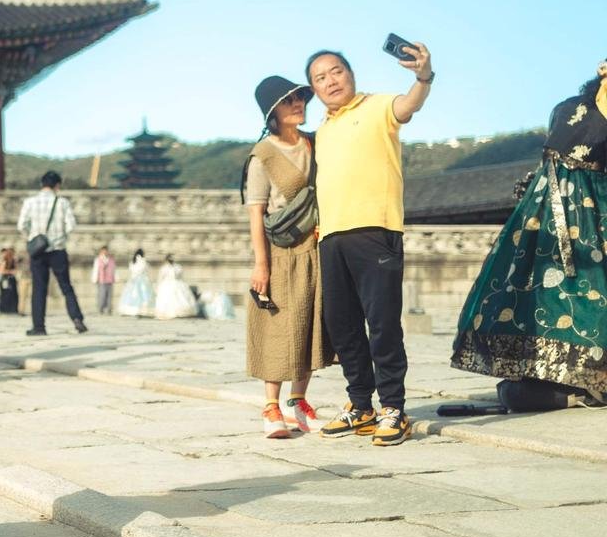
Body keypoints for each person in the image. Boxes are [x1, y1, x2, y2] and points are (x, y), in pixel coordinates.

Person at [451, 62, 607, 400]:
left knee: (586, 295)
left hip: (592, 212)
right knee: (531, 290)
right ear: (603, 67)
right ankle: (538, 370)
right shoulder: (569, 107)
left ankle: (579, 380)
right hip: (545, 210)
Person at [307, 44, 433, 447]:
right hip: (331, 237)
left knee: (381, 324)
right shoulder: (322, 130)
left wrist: (423, 77)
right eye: (320, 78)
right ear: (315, 89)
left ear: (350, 74)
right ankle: (360, 404)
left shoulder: (379, 107)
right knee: (342, 326)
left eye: (336, 71)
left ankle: (393, 407)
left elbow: (410, 104)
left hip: (376, 231)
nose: (330, 81)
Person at [242, 75, 331, 438]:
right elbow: (255, 214)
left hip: (314, 249)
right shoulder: (262, 156)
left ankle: (299, 402)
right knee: (277, 328)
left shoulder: (313, 145)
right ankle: (270, 406)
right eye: (289, 100)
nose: (299, 104)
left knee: (308, 325)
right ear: (272, 112)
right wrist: (261, 265)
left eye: (300, 98)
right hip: (279, 252)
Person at [16, 170, 88, 335]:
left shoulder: (30, 202)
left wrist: (32, 238)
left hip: (38, 251)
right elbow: (71, 225)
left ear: (42, 184)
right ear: (57, 185)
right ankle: (77, 318)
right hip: (58, 249)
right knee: (66, 286)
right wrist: (59, 238)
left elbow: (21, 225)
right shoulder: (62, 202)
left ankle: (39, 326)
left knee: (39, 288)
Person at [153, 254, 200, 320]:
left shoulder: (165, 268)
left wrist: (158, 286)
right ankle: (177, 312)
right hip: (176, 283)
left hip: (168, 284)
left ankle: (172, 312)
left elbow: (160, 278)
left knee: (169, 299)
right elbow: (180, 277)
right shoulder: (177, 267)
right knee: (177, 298)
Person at [118, 248, 154, 317]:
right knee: (143, 294)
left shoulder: (133, 261)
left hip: (133, 279)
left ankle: (129, 310)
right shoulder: (143, 261)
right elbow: (145, 269)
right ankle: (142, 311)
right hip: (142, 279)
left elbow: (132, 270)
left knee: (131, 295)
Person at [92, 245, 117, 316]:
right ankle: (101, 308)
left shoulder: (111, 259)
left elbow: (114, 269)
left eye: (106, 251)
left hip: (110, 279)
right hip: (101, 280)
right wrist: (94, 279)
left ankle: (109, 309)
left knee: (109, 295)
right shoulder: (98, 259)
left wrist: (115, 277)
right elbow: (96, 270)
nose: (105, 252)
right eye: (104, 251)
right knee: (102, 295)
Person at [0, 247, 20, 315]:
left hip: (11, 279)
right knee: (5, 295)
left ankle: (12, 309)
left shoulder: (13, 261)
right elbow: (1, 271)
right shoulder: (5, 261)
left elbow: (16, 270)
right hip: (5, 279)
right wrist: (10, 271)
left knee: (13, 295)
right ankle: (5, 309)